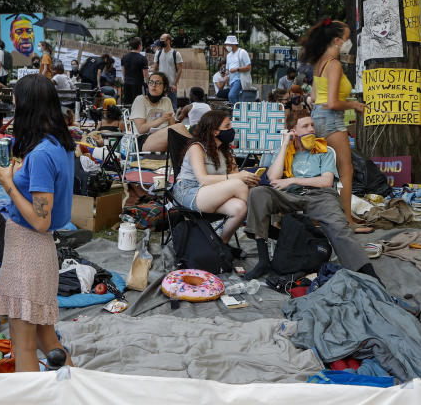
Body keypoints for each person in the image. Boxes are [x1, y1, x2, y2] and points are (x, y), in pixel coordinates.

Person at [0, 74, 75, 372]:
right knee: (44, 334)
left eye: (14, 100)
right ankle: (75, 388)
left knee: (22, 341)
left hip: (29, 248)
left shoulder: (40, 155)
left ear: (27, 106)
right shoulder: (55, 143)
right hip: (33, 250)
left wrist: (8, 185)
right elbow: (9, 165)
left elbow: (41, 220)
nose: (11, 105)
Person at [242, 110, 381, 282]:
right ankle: (263, 261)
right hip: (292, 197)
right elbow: (272, 178)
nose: (311, 129)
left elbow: (326, 181)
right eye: (305, 126)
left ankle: (367, 274)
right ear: (293, 130)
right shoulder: (285, 151)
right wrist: (285, 144)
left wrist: (293, 180)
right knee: (258, 193)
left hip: (321, 196)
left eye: (312, 125)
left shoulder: (324, 150)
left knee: (339, 227)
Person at [299, 19, 369, 233]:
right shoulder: (334, 64)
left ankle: (319, 217)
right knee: (345, 171)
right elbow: (332, 102)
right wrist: (354, 104)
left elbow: (312, 97)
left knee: (321, 171)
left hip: (318, 117)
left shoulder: (319, 63)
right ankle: (347, 221)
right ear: (337, 40)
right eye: (347, 39)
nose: (348, 43)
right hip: (331, 119)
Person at [172, 110, 256, 243]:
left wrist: (248, 180)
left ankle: (222, 245)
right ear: (214, 131)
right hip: (188, 192)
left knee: (240, 208)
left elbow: (234, 177)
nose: (231, 130)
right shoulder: (197, 148)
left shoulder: (225, 151)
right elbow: (203, 179)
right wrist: (239, 179)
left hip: (212, 194)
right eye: (227, 126)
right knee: (238, 184)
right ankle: (257, 221)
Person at [130, 71, 191, 152]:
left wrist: (170, 120)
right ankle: (198, 148)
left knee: (183, 128)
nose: (153, 85)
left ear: (165, 87)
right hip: (143, 141)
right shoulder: (140, 100)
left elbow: (172, 126)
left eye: (158, 83)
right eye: (151, 82)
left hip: (164, 137)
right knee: (180, 128)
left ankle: (195, 149)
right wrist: (161, 120)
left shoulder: (166, 101)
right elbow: (141, 129)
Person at [223, 35, 251, 104]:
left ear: (233, 44)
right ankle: (238, 112)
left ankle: (237, 112)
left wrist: (236, 69)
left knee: (231, 95)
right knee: (237, 97)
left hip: (239, 79)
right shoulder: (228, 55)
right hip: (231, 81)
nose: (227, 46)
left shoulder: (242, 52)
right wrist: (226, 75)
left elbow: (249, 67)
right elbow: (227, 69)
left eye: (228, 44)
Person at [121, 37, 149, 104]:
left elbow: (123, 72)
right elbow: (146, 75)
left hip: (127, 84)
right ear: (139, 45)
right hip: (138, 85)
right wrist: (148, 84)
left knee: (127, 104)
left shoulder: (124, 57)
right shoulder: (142, 58)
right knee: (138, 104)